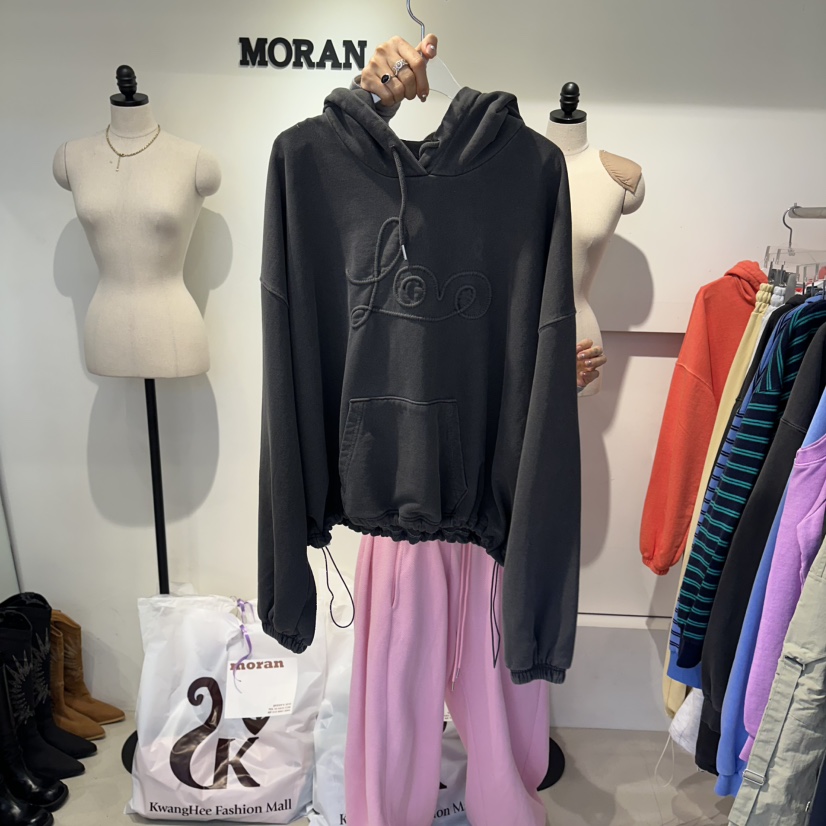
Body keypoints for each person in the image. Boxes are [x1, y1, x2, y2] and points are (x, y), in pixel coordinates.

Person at [353, 34, 607, 390]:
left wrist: (551, 376)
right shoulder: (309, 162)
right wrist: (367, 104)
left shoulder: (537, 168)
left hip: (527, 364)